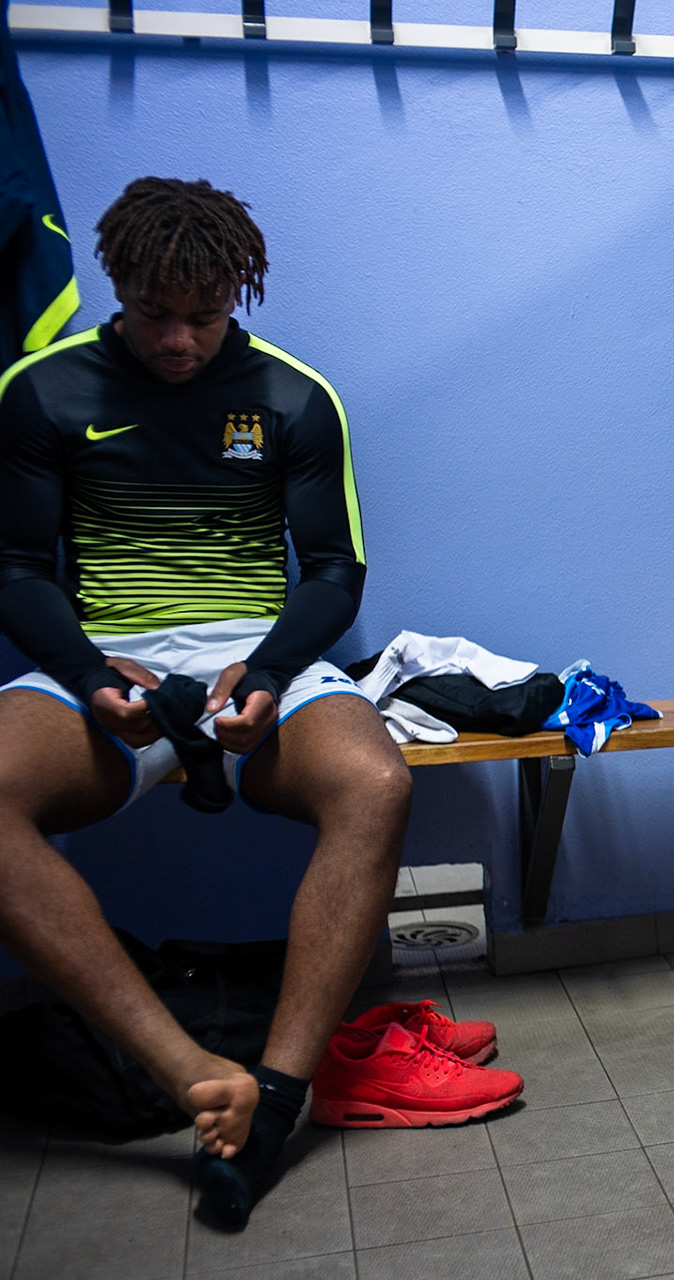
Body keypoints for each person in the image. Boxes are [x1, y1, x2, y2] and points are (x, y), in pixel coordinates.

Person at [0, 177, 412, 1228]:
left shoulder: (293, 395)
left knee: (374, 781)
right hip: (105, 655)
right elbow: (16, 570)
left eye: (206, 314)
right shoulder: (41, 390)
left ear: (238, 293)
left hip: (259, 656)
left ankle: (272, 1101)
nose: (180, 339)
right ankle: (190, 1072)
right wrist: (90, 675)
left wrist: (267, 673)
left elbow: (334, 572)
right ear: (117, 287)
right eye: (155, 313)